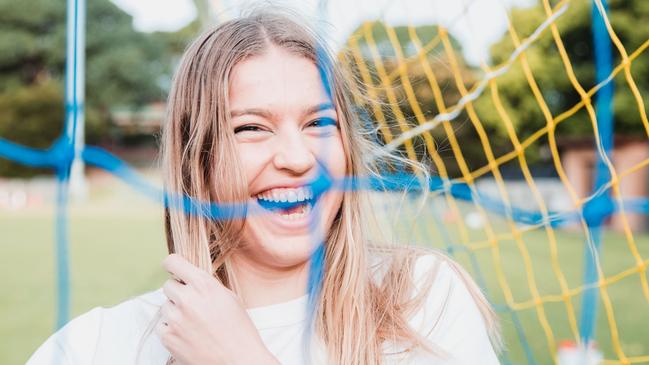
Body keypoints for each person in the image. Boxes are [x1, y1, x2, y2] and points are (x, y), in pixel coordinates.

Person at [26, 8, 501, 365]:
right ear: (198, 160)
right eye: (251, 128)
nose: (297, 159)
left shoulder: (422, 301)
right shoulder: (101, 345)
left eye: (319, 122)